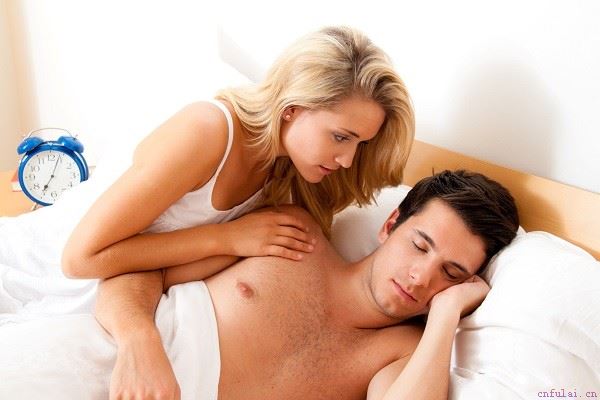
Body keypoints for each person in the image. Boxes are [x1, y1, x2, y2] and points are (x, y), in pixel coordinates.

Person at [95, 170, 519, 400]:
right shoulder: (293, 234)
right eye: (419, 246)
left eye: (451, 273)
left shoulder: (402, 352)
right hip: (107, 364)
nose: (421, 277)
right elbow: (135, 271)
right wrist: (138, 343)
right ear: (390, 224)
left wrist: (445, 315)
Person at [60, 25, 414, 283]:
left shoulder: (288, 173)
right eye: (340, 137)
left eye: (360, 144)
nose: (348, 160)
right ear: (293, 108)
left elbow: (167, 275)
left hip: (129, 285)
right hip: (71, 275)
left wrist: (236, 246)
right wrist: (227, 238)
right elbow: (79, 259)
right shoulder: (207, 131)